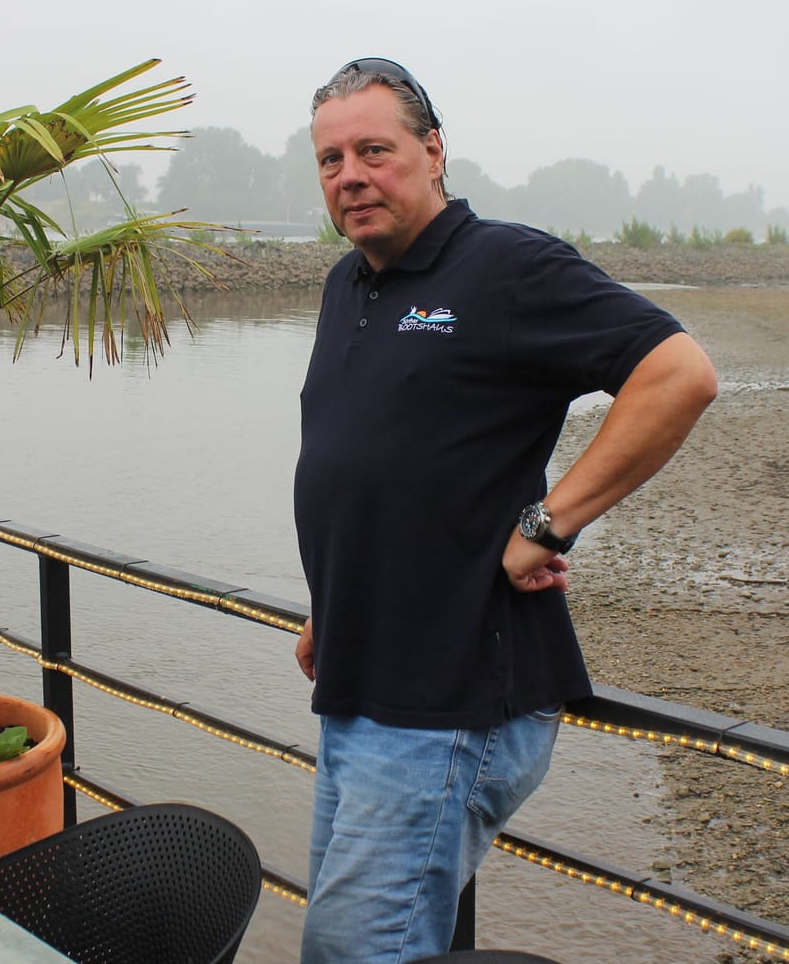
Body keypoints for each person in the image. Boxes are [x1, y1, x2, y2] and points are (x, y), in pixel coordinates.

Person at [292, 57, 718, 964]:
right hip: (362, 684)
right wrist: (333, 603)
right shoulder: (348, 285)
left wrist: (548, 524)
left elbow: (678, 373)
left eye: (375, 149)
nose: (351, 176)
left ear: (433, 150)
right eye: (331, 160)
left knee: (357, 953)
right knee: (337, 942)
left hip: (450, 704)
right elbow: (380, 467)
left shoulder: (506, 268)